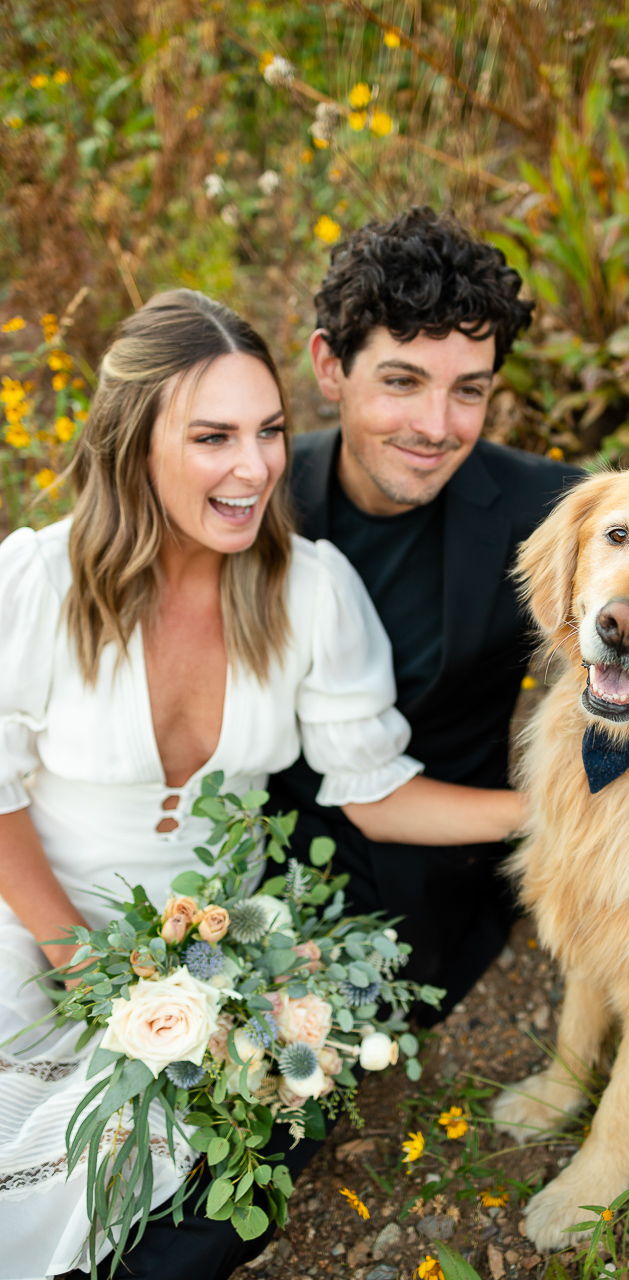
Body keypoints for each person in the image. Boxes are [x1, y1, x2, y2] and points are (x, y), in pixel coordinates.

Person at [0, 289, 526, 1280]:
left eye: (270, 431)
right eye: (212, 437)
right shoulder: (38, 582)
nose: (255, 469)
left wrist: (553, 813)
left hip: (212, 949)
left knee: (253, 1134)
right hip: (34, 917)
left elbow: (371, 790)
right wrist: (74, 956)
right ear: (132, 442)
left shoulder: (311, 591)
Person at [267, 206, 583, 1016]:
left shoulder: (546, 510)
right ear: (329, 367)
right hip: (248, 841)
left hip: (424, 865)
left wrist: (578, 814)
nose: (437, 428)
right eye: (402, 381)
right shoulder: (259, 496)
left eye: (467, 392)